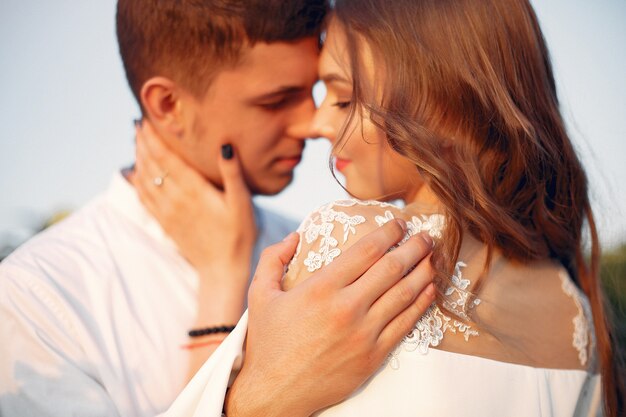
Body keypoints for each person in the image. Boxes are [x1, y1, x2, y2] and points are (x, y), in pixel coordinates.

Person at [136, 0, 624, 415]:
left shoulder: (350, 240)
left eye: (344, 99)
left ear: (446, 101)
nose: (317, 124)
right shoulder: (575, 310)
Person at [0, 1, 438, 416]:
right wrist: (222, 281)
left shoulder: (326, 247)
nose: (312, 124)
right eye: (276, 100)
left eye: (317, 92)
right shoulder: (35, 299)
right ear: (169, 105)